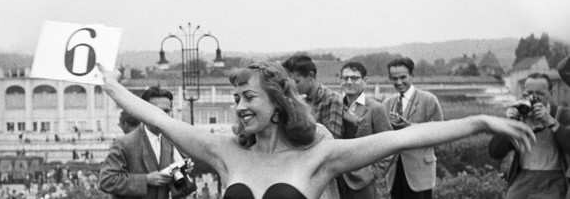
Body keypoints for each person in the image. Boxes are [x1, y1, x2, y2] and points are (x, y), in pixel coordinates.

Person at [96, 61, 534, 199]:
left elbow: (404, 138)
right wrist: (112, 85)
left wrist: (479, 121)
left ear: (278, 106)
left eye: (249, 98)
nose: (239, 107)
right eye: (236, 99)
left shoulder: (318, 156)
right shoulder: (224, 150)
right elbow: (159, 119)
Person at [489, 72, 570, 199]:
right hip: (523, 177)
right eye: (529, 93)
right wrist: (510, 124)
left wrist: (551, 122)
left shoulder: (563, 115)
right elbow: (495, 152)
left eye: (540, 94)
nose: (534, 98)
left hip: (552, 179)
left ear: (551, 94)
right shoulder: (520, 113)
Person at [99, 85, 187, 199]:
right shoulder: (124, 143)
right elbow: (106, 180)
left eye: (166, 111)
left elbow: (174, 187)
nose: (163, 115)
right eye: (157, 110)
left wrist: (182, 172)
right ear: (143, 111)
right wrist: (145, 180)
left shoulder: (171, 142)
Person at [382, 57, 443, 199]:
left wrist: (411, 127)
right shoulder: (387, 103)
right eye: (394, 78)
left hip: (420, 172)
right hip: (395, 171)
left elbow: (440, 133)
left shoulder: (429, 100)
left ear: (412, 75)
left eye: (403, 77)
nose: (398, 82)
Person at [337, 61, 392, 199]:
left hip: (365, 182)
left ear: (365, 81)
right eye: (345, 78)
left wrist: (374, 173)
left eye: (355, 78)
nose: (349, 82)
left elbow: (389, 146)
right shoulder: (335, 107)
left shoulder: (375, 108)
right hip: (337, 178)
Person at [282, 54, 343, 139]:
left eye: (297, 81)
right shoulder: (300, 100)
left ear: (311, 75)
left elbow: (333, 138)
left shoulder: (332, 99)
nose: (293, 87)